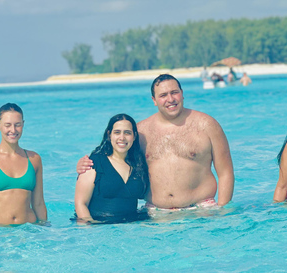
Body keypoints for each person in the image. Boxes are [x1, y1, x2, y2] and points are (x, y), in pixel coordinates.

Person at [77, 74, 234, 210]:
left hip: (201, 208)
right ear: (154, 100)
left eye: (174, 93)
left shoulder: (207, 125)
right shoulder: (141, 132)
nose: (170, 99)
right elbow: (113, 159)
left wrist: (222, 209)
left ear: (182, 94)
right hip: (156, 213)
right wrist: (86, 165)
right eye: (163, 95)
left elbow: (225, 172)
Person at [74, 114, 150, 223]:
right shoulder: (94, 163)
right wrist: (90, 228)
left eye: (127, 133)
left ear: (134, 136)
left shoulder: (138, 165)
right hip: (99, 225)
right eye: (117, 132)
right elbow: (80, 203)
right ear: (109, 135)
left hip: (132, 226)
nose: (122, 138)